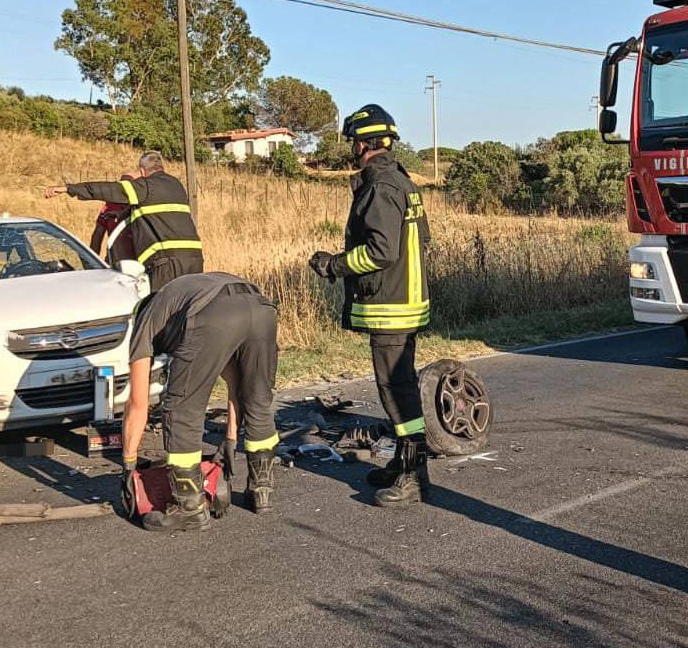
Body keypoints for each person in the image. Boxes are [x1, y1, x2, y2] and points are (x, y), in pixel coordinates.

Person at [308, 104, 432, 507]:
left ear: (363, 143)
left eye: (353, 143)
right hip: (406, 301)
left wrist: (333, 266)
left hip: (390, 306)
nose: (352, 150)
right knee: (400, 387)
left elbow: (381, 252)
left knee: (396, 392)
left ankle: (413, 474)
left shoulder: (381, 187)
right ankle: (403, 462)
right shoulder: (403, 182)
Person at [120, 272, 280, 532]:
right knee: (258, 398)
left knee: (181, 409)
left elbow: (137, 403)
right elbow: (235, 384)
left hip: (212, 313)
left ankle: (189, 509)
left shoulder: (145, 321)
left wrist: (128, 465)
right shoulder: (176, 299)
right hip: (260, 308)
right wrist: (230, 439)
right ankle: (261, 491)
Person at [45, 151, 203, 290]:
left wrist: (68, 189)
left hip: (166, 262)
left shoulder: (145, 187)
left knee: (159, 309)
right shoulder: (176, 185)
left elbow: (108, 189)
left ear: (142, 171)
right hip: (194, 259)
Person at [88, 173, 138, 267]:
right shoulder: (109, 206)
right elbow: (98, 234)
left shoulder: (139, 206)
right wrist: (92, 262)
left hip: (138, 261)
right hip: (114, 261)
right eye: (122, 185)